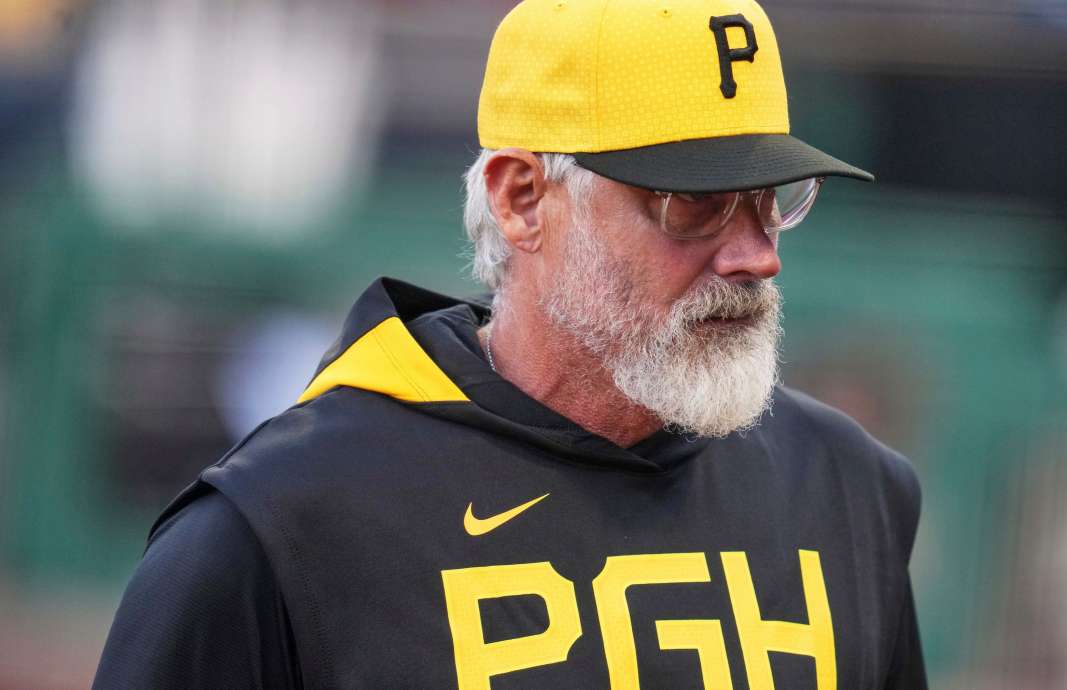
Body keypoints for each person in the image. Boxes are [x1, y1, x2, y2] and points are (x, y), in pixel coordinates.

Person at [93, 0, 927, 688]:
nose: (759, 253)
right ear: (522, 199)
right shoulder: (280, 527)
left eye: (769, 198)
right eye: (694, 204)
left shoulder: (850, 487)